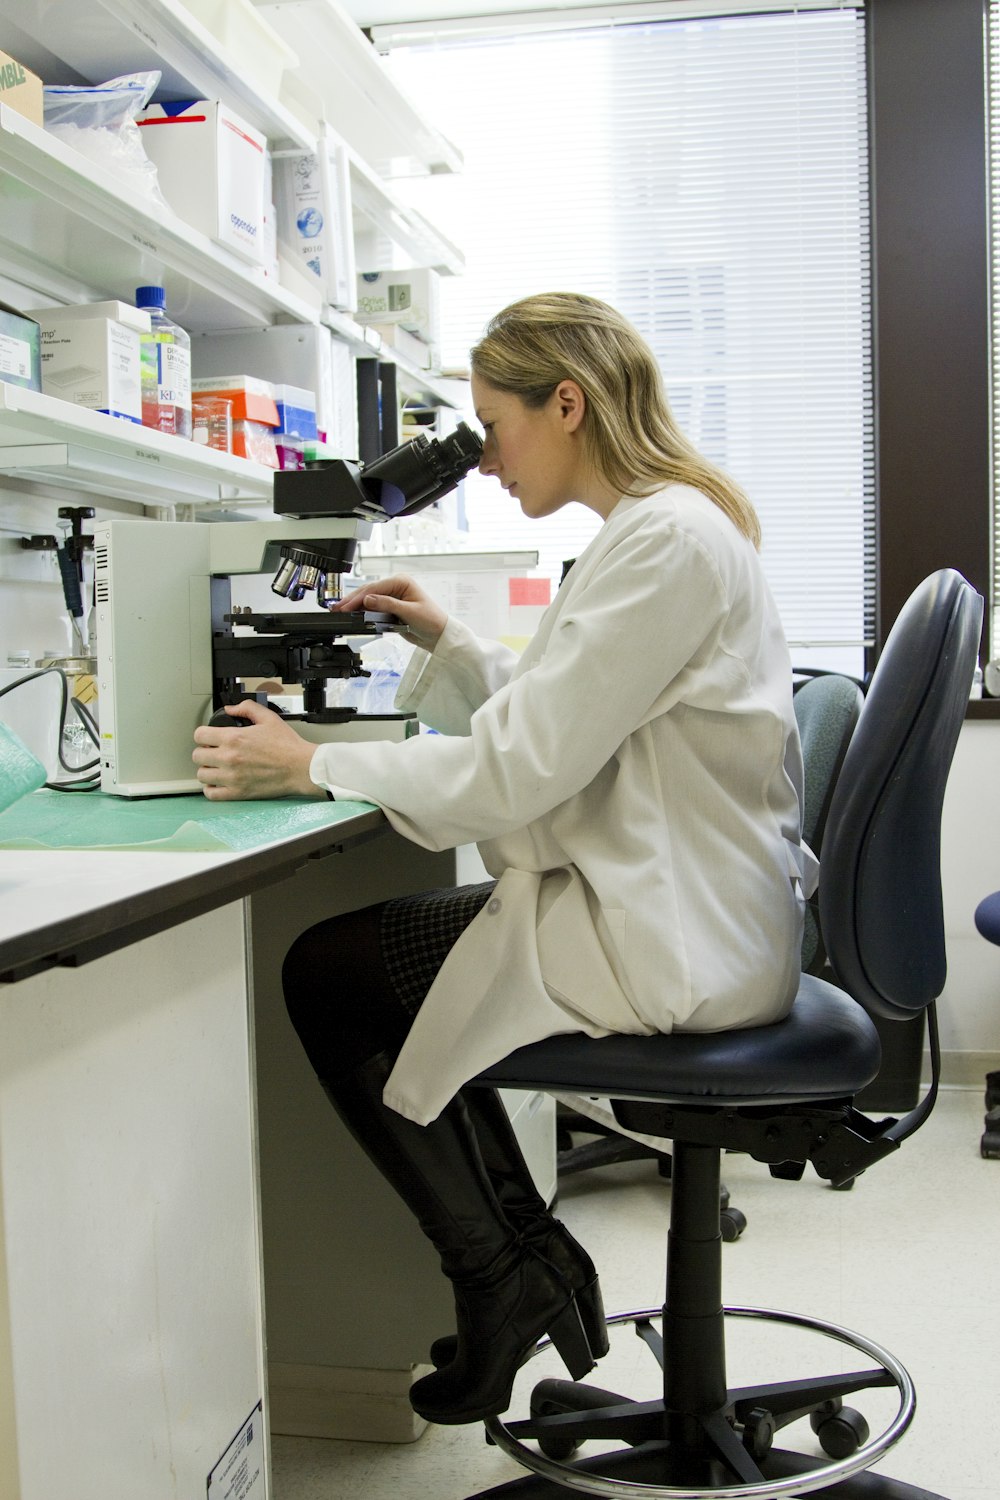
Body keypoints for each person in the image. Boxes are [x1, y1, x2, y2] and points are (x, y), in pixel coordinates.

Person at [192, 292, 814, 1426]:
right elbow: (567, 718)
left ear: (565, 404)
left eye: (495, 425)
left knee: (332, 978)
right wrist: (454, 643)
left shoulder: (663, 543)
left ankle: (502, 1270)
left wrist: (311, 762)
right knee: (388, 979)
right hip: (671, 903)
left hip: (668, 931)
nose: (483, 461)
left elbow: (517, 772)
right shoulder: (658, 531)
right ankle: (518, 1260)